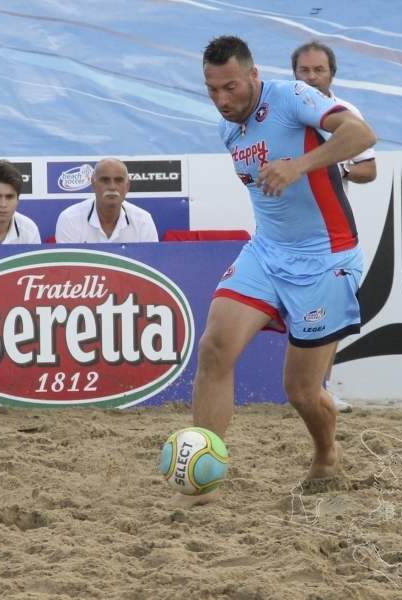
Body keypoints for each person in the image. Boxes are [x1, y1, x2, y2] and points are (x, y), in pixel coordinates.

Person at [159, 35, 376, 509]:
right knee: (214, 348)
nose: (222, 100)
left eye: (230, 87)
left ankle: (327, 453)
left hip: (326, 258)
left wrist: (300, 165)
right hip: (267, 252)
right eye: (212, 90)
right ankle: (201, 483)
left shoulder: (292, 96)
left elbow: (362, 135)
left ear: (253, 75)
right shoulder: (228, 127)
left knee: (301, 391)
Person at [292, 40, 378, 413]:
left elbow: (369, 169)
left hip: (329, 230)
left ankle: (321, 388)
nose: (311, 77)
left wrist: (336, 167)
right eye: (304, 70)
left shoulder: (346, 114)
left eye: (319, 70)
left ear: (332, 74)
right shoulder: (281, 110)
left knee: (328, 311)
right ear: (294, 74)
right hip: (282, 228)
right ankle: (296, 387)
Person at [55, 158, 158, 243]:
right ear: (93, 184)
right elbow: (70, 263)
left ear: (127, 186)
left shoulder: (143, 221)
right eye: (105, 180)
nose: (112, 187)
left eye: (118, 180)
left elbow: (149, 261)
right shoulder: (70, 219)